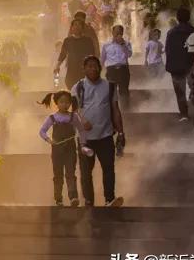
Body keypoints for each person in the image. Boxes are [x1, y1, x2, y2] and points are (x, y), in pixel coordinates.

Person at [72, 56, 125, 207]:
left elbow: (115, 109)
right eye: (89, 66)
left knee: (108, 168)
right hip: (85, 138)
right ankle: (89, 201)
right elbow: (73, 111)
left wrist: (121, 132)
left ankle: (109, 199)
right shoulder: (78, 87)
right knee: (86, 171)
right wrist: (82, 121)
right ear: (84, 69)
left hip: (105, 135)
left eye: (95, 66)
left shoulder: (110, 86)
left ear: (100, 68)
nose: (93, 69)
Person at [38, 91, 85, 207]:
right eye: (62, 102)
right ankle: (58, 199)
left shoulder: (74, 117)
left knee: (70, 173)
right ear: (56, 103)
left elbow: (81, 130)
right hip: (57, 150)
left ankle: (73, 197)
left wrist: (83, 144)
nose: (65, 104)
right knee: (58, 174)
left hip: (70, 149)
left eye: (67, 102)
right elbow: (42, 131)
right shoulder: (52, 118)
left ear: (70, 103)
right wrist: (49, 141)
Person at [165, 7, 194, 121]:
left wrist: (170, 66)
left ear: (177, 18)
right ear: (188, 18)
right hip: (191, 66)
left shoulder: (171, 33)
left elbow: (168, 50)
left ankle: (184, 115)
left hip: (176, 67)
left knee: (180, 93)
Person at [54, 19, 95, 90]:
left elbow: (92, 55)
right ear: (71, 28)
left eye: (79, 25)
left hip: (84, 70)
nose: (77, 26)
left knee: (84, 90)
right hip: (71, 70)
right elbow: (62, 54)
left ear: (82, 28)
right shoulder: (67, 41)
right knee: (71, 88)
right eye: (75, 24)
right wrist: (57, 66)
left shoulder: (88, 40)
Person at [101, 25, 133, 110]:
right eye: (116, 32)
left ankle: (126, 109)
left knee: (124, 90)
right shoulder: (106, 44)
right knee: (111, 92)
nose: (118, 34)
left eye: (120, 32)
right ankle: (111, 110)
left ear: (122, 33)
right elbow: (102, 59)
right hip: (111, 70)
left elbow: (129, 55)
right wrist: (100, 70)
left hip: (123, 69)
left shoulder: (127, 43)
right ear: (112, 33)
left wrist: (123, 45)